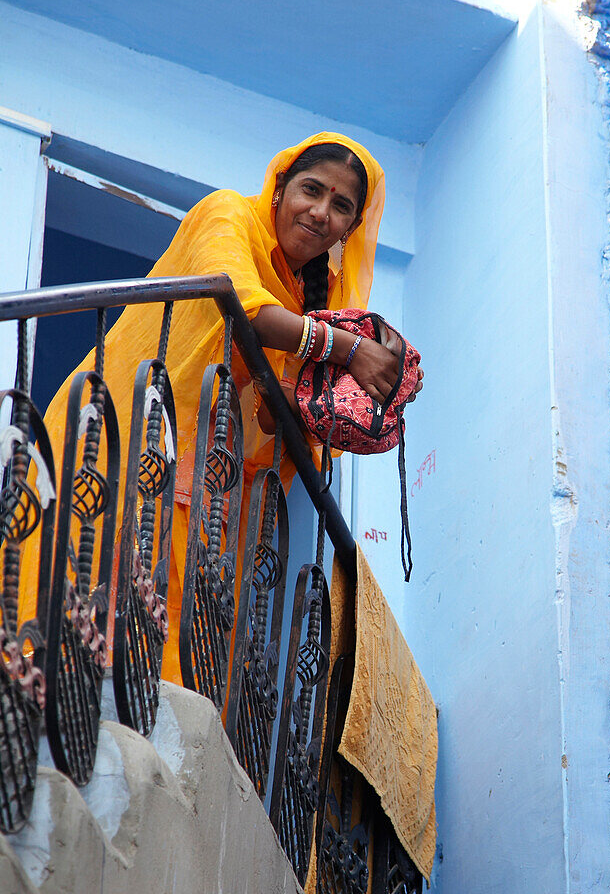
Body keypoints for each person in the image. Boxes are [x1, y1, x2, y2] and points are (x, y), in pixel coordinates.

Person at [21, 132, 422, 687]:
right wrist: (349, 350)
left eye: (342, 207)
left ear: (350, 229)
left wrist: (361, 389)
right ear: (280, 189)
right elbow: (239, 304)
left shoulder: (316, 301)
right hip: (124, 443)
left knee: (161, 668)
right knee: (78, 609)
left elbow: (270, 420)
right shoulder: (228, 213)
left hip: (210, 495)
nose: (321, 212)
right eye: (312, 190)